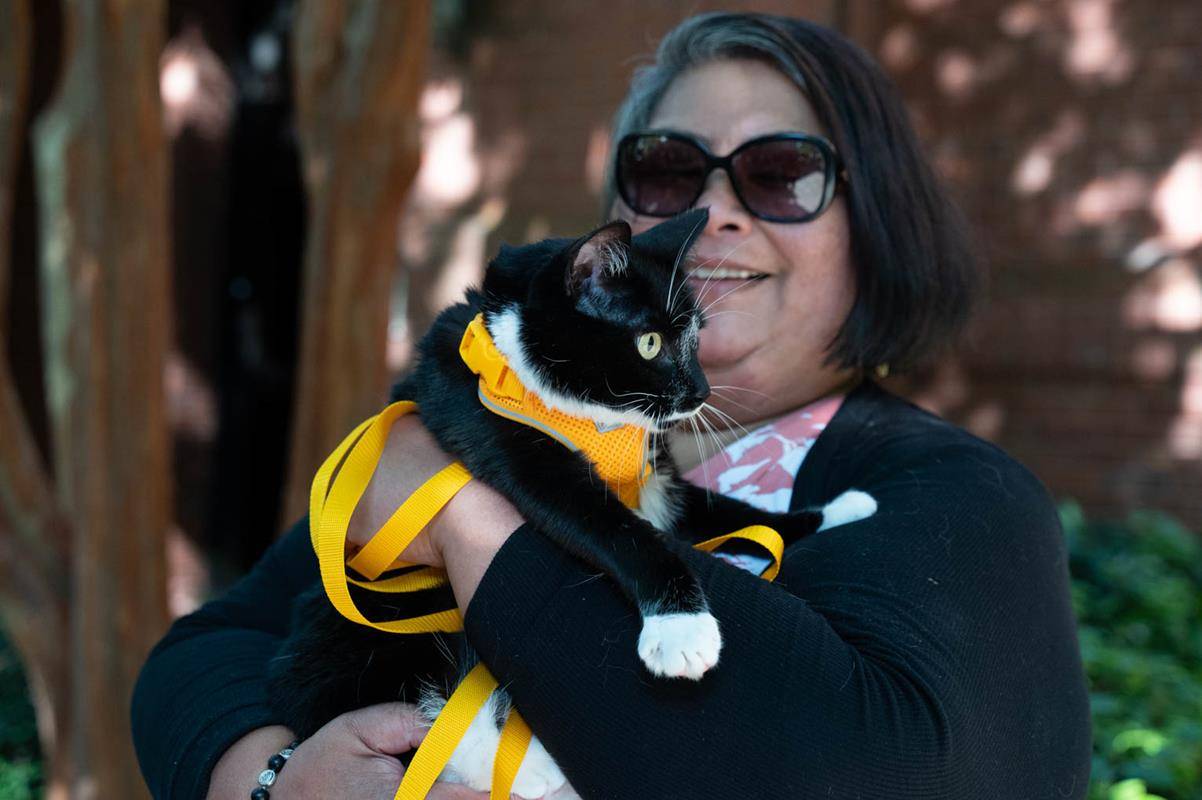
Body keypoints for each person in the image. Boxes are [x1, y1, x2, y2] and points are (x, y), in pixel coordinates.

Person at [132, 12, 1092, 799]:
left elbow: (867, 769)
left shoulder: (959, 493)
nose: (715, 212)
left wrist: (467, 520)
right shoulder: (519, 419)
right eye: (670, 170)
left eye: (780, 174)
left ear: (879, 222)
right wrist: (270, 781)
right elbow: (206, 648)